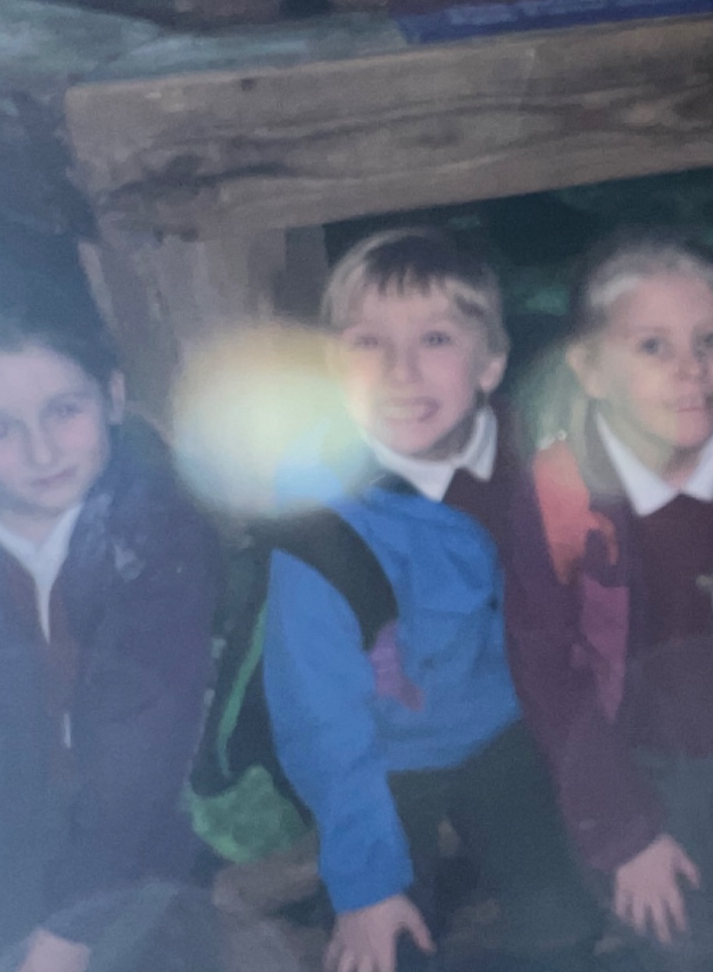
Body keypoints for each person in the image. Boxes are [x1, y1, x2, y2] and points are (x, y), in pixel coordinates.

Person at [262, 228, 600, 972]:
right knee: (387, 941)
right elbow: (320, 717)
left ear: (491, 363)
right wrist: (366, 887)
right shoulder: (322, 526)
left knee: (565, 916)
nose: (401, 371)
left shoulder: (537, 458)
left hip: (506, 722)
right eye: (367, 343)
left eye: (436, 338)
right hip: (383, 754)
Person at [506, 235, 713, 972]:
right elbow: (548, 673)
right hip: (622, 755)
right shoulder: (558, 494)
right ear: (591, 369)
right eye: (653, 346)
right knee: (673, 934)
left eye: (711, 341)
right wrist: (624, 835)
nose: (691, 369)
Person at [0, 287, 220, 972]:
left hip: (131, 839)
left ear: (113, 398)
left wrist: (67, 934)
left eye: (64, 411)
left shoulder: (161, 537)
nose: (40, 452)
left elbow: (138, 753)